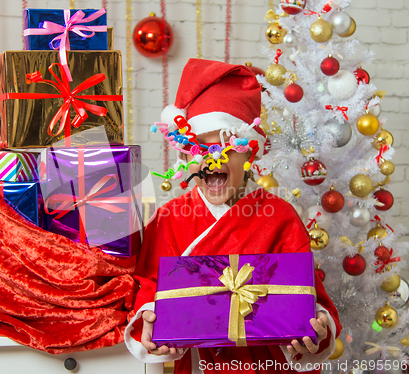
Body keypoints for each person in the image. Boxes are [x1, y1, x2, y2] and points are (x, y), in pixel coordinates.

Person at [124, 58, 341, 374]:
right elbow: (147, 285)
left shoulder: (281, 217)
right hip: (197, 365)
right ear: (185, 156)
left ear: (250, 152)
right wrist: (149, 319)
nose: (212, 159)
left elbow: (307, 295)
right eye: (200, 148)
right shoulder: (168, 218)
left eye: (227, 145)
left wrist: (317, 324)